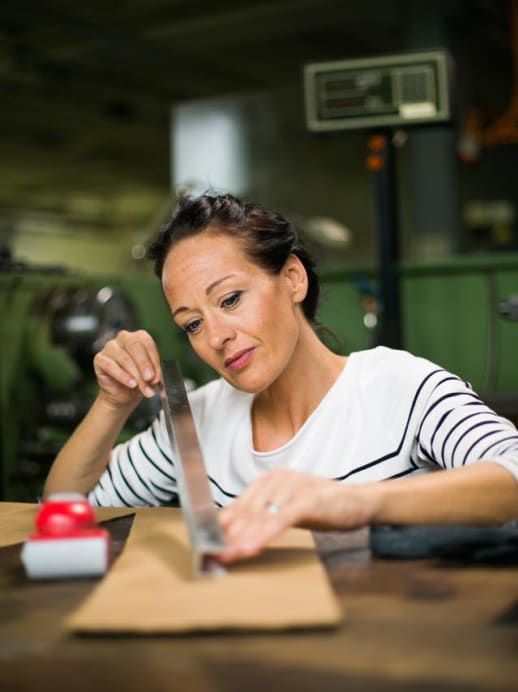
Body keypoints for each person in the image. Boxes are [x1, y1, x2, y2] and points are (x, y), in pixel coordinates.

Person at [44, 193, 518, 562]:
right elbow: (65, 509)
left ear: (292, 278)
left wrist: (355, 503)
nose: (217, 336)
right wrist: (112, 404)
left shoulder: (400, 388)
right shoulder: (194, 420)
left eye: (230, 299)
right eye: (192, 323)